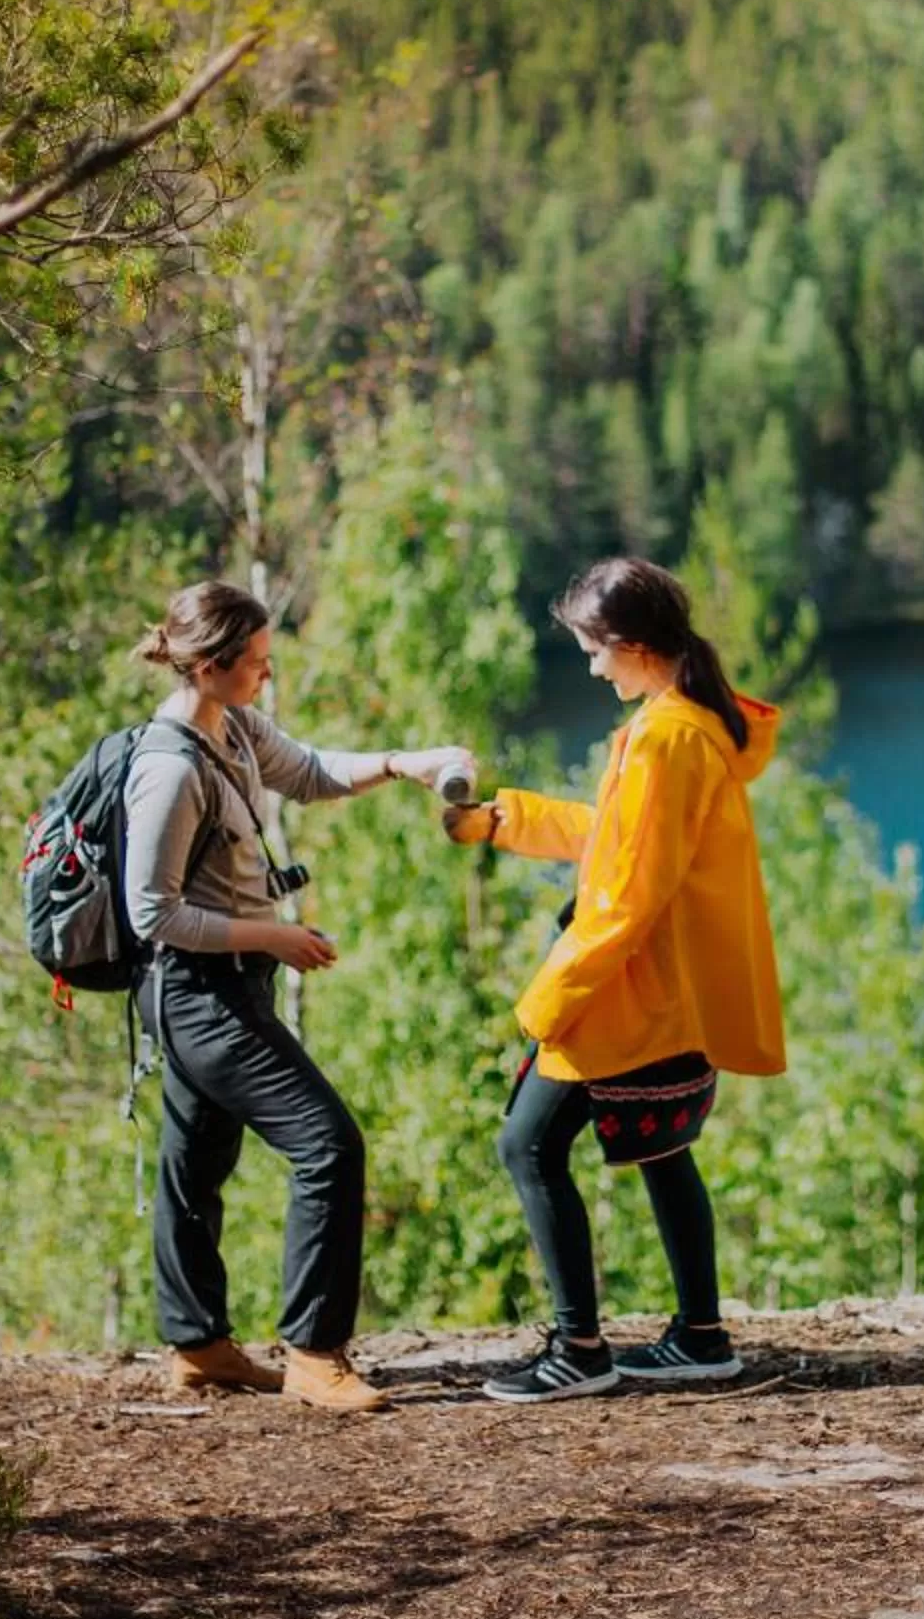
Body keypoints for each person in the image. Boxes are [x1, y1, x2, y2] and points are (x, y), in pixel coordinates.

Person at [125, 579, 473, 1413]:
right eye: (255, 665)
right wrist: (274, 935)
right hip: (196, 994)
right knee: (328, 1145)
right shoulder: (170, 769)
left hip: (231, 984)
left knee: (195, 1162)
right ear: (206, 666)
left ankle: (200, 1344)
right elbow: (153, 911)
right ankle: (315, 1354)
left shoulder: (234, 729)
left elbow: (311, 773)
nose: (266, 678)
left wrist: (401, 765)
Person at [445, 557, 786, 1403]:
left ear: (633, 647)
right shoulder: (689, 723)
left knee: (526, 1145)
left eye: (595, 652)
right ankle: (701, 1336)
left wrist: (547, 999)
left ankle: (579, 1350)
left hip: (632, 985)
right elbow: (623, 838)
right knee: (666, 1153)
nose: (591, 669)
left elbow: (628, 895)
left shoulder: (668, 739)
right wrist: (501, 821)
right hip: (673, 989)